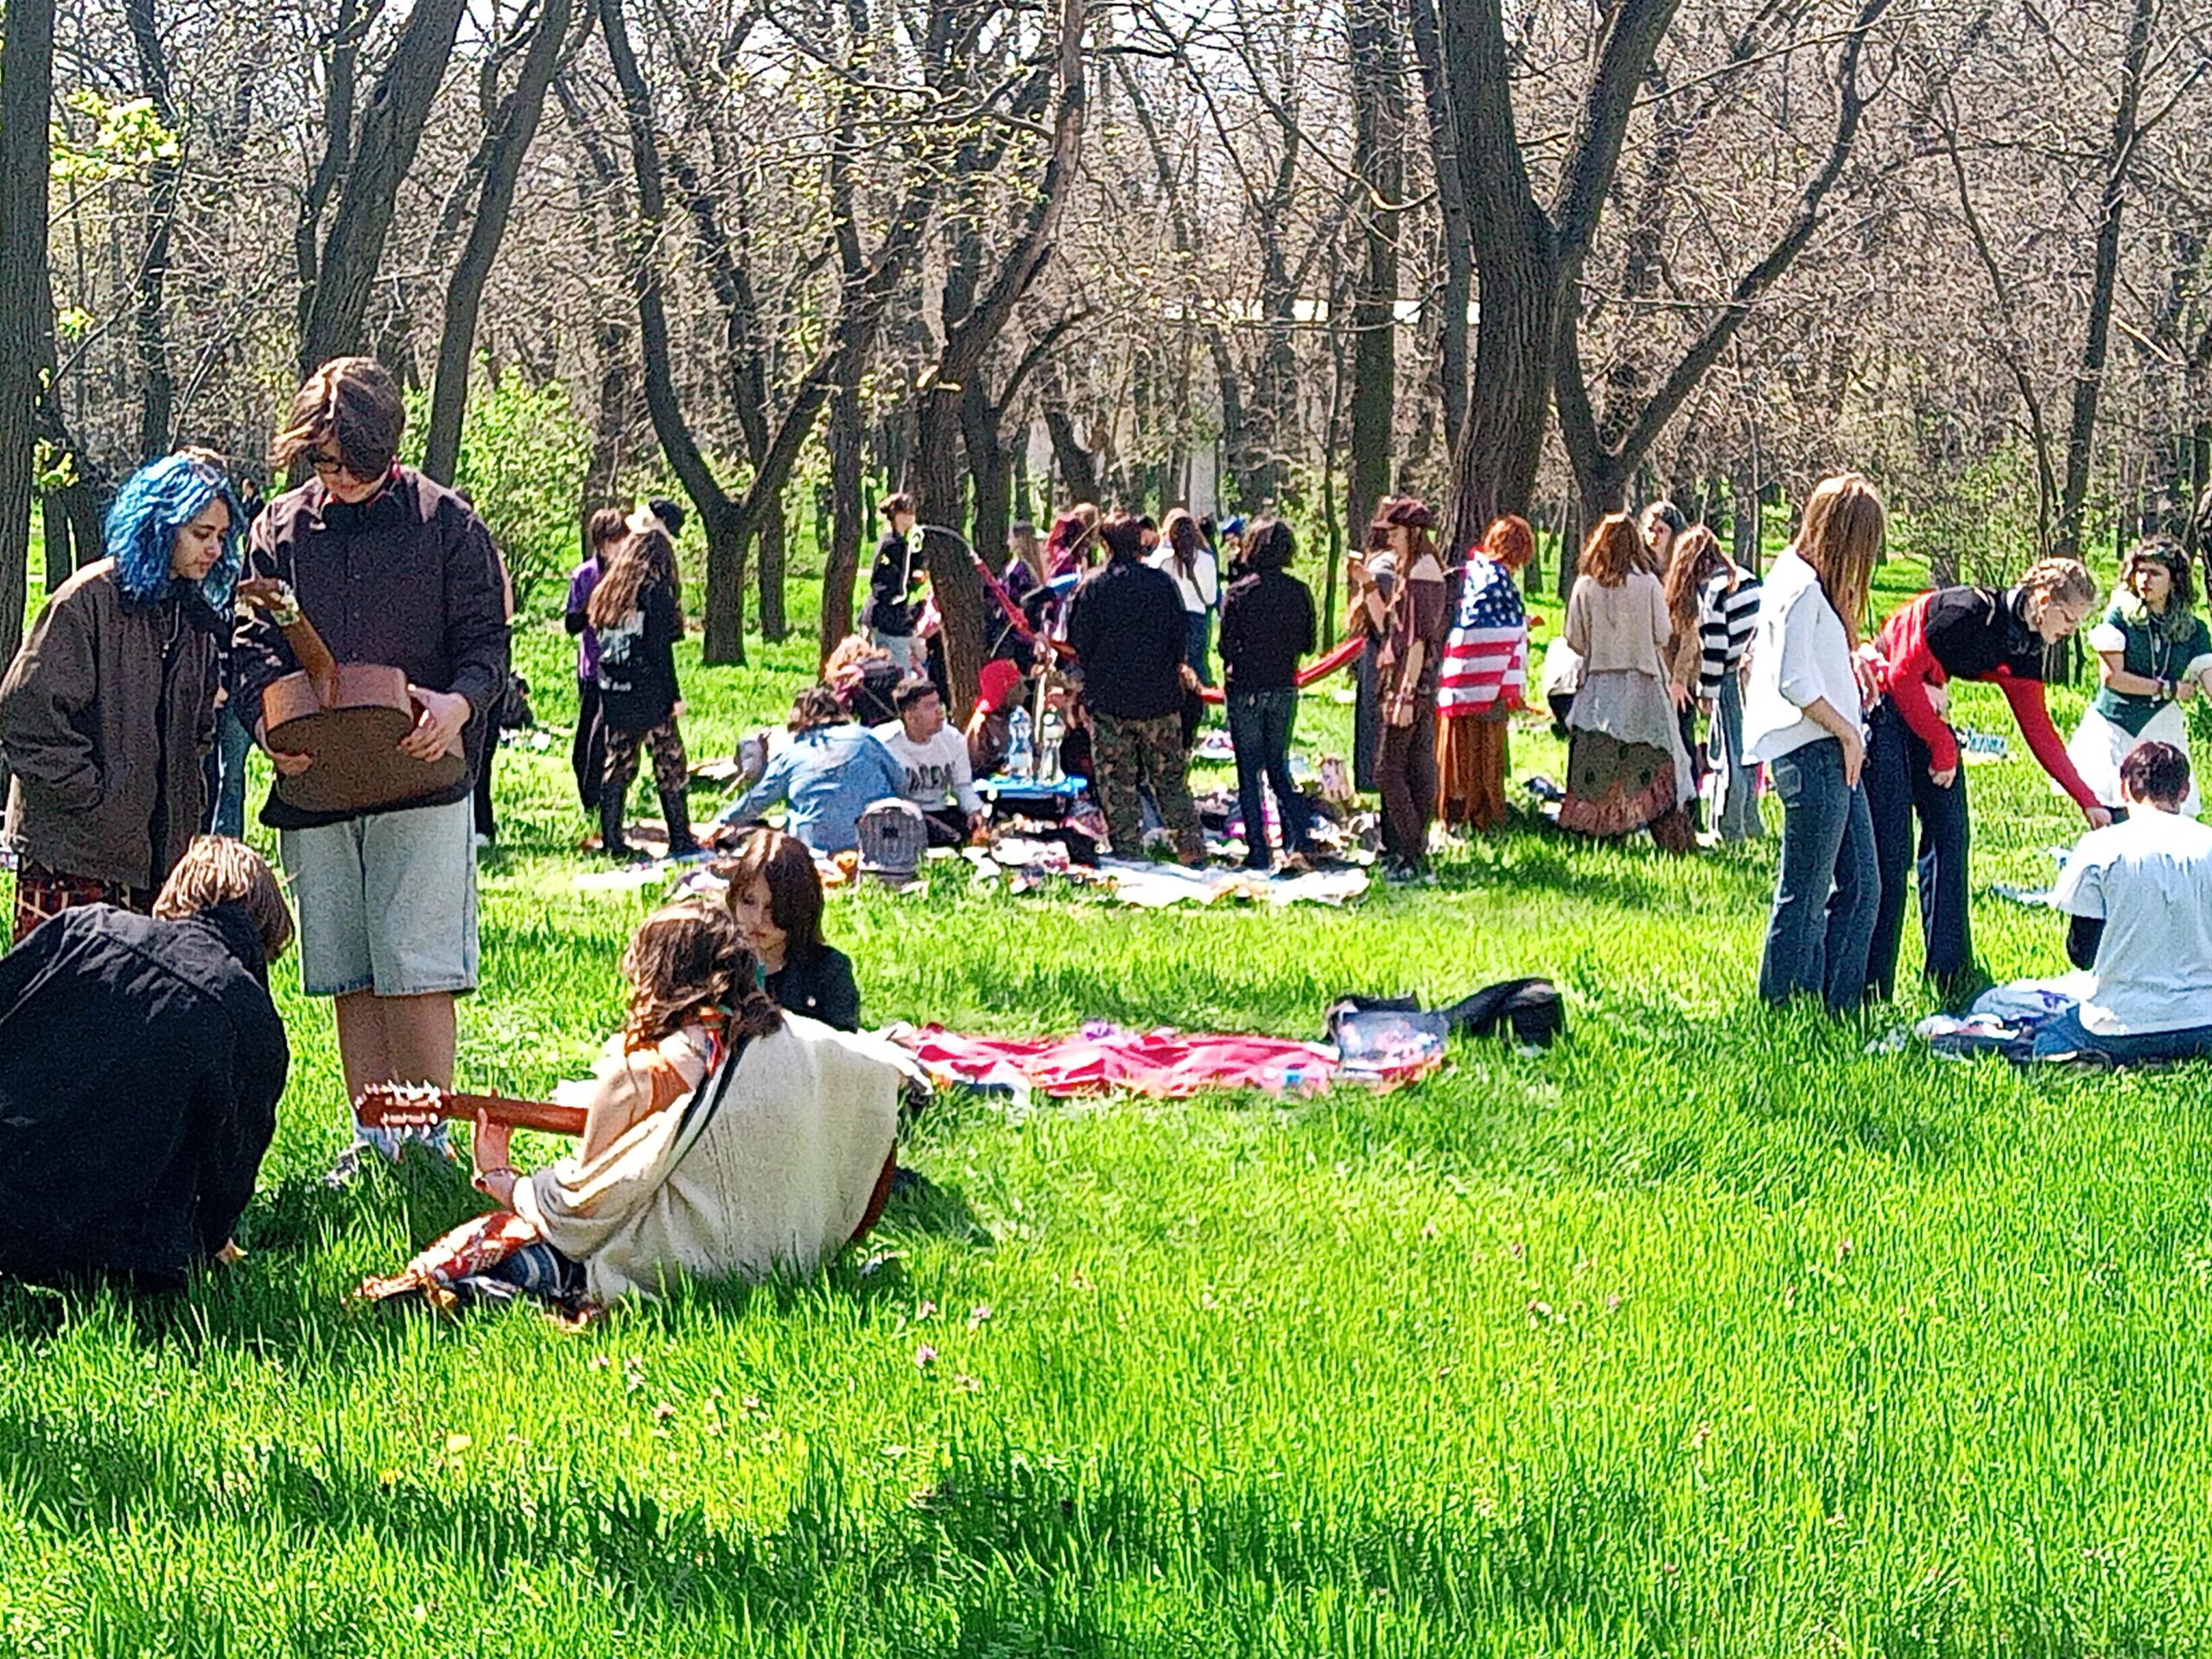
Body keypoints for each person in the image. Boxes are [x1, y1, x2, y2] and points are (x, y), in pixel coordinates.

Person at [232, 356, 509, 1127]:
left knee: (414, 965)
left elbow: (487, 644)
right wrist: (265, 724)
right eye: (325, 463)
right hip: (318, 780)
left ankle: (427, 1138)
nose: (343, 478)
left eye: (357, 462)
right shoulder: (278, 529)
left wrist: (458, 704)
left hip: (421, 775)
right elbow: (250, 646)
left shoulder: (447, 524)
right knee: (348, 968)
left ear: (389, 445)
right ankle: (375, 1137)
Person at [385, 901, 901, 1309]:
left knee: (500, 1239)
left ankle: (468, 1289)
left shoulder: (639, 1074)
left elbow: (584, 1212)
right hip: (791, 1259)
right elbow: (881, 1081)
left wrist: (504, 1179)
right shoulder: (805, 1046)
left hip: (689, 1267)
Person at [0, 836, 292, 1287]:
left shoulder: (87, 929)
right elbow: (228, 1176)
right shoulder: (254, 1021)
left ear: (174, 894)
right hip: (125, 1255)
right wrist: (210, 1240)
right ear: (267, 931)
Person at [3, 449, 243, 944]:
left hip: (156, 866)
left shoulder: (193, 619)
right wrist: (93, 799)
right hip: (72, 860)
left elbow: (198, 735)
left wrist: (185, 811)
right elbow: (28, 715)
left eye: (221, 536)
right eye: (201, 533)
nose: (214, 549)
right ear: (160, 525)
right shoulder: (87, 600)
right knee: (57, 995)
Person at [1864, 556, 2107, 997]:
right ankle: (1871, 985)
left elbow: (2038, 729)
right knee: (1892, 853)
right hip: (1884, 702)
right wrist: (1942, 745)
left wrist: (2087, 799)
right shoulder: (1969, 611)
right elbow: (1900, 676)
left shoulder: (2026, 647)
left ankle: (1950, 973)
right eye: (2069, 619)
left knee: (1951, 836)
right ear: (2043, 600)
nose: (2071, 631)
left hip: (1926, 704)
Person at [1744, 474, 1883, 1013]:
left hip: (1833, 752)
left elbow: (1811, 658)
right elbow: (1793, 681)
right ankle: (1785, 1009)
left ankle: (1837, 1007)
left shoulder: (1808, 581)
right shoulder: (1799, 586)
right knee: (1805, 892)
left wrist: (1851, 664)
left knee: (1862, 886)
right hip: (1814, 751)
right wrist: (1846, 731)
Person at [2034, 741, 2212, 1064]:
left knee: (2050, 1038)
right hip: (2204, 1021)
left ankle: (2087, 1060)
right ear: (2184, 790)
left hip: (2120, 1023)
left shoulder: (2100, 847)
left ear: (2125, 789)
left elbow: (2081, 954)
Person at [1065, 512, 1205, 864]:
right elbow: (1179, 638)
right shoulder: (1162, 585)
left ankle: (1128, 850)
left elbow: (1079, 643)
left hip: (1111, 702)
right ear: (1140, 541)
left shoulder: (1093, 587)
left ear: (1105, 545)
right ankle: (1191, 848)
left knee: (1117, 783)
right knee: (1170, 781)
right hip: (1160, 700)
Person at [1558, 512, 1694, 851]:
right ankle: (1660, 832)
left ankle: (1600, 835)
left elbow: (1574, 639)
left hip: (1599, 687)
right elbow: (1662, 633)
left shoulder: (1584, 586)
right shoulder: (1648, 584)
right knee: (1649, 759)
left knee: (1598, 762)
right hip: (1643, 685)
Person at [2064, 536, 2212, 816]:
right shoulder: (2120, 617)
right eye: (2140, 571)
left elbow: (2209, 677)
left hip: (2161, 727)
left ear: (2174, 580)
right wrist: (2169, 689)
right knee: (2114, 810)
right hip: (2115, 724)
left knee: (2166, 810)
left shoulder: (2193, 629)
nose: (2144, 579)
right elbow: (2113, 678)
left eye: (2155, 573)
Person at [1347, 499, 1452, 877]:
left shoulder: (1424, 572)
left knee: (1389, 770)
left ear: (1413, 532)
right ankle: (1409, 850)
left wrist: (1405, 694)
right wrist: (1366, 583)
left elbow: (1418, 641)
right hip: (1402, 678)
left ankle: (1411, 851)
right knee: (1411, 766)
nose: (1389, 538)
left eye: (1394, 531)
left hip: (1411, 682)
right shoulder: (1408, 569)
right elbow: (1387, 627)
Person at [592, 516, 699, 861]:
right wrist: (673, 697)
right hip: (648, 692)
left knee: (619, 762)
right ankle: (680, 838)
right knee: (670, 760)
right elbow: (659, 650)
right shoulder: (655, 593)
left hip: (614, 688)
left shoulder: (609, 592)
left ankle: (612, 838)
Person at [1217, 517, 1315, 871]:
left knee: (1248, 772)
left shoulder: (1237, 593)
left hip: (1246, 687)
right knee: (1278, 767)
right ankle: (1300, 839)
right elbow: (1309, 643)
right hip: (1283, 684)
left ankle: (1258, 849)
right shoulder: (1299, 591)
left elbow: (1225, 646)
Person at [709, 685, 906, 855]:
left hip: (812, 847)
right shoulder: (865, 738)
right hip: (878, 843)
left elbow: (757, 800)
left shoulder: (791, 753)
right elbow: (901, 782)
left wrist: (718, 823)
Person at [1435, 515, 1534, 832]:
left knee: (1456, 746)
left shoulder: (1473, 573)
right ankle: (1483, 813)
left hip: (1458, 675)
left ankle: (1451, 807)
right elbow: (1506, 630)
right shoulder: (1501, 583)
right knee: (1485, 748)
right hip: (1490, 681)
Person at [724, 826, 862, 1030]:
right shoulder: (720, 965)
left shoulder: (828, 971)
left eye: (772, 907)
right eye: (748, 901)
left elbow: (842, 1042)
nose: (758, 919)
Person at [1696, 532, 1765, 842]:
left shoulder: (1715, 590)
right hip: (1756, 672)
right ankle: (1752, 822)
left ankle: (1728, 827)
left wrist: (1707, 691)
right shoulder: (1747, 578)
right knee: (1750, 753)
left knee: (1730, 754)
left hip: (1730, 674)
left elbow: (1716, 646)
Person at [565, 506, 628, 815]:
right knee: (586, 744)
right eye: (614, 540)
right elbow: (571, 623)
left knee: (608, 741)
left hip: (621, 667)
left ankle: (608, 801)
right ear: (601, 543)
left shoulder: (629, 574)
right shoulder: (585, 575)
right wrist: (595, 605)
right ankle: (590, 801)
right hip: (592, 667)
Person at [1662, 524, 1728, 811]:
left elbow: (1690, 643)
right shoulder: (1679, 591)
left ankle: (1687, 812)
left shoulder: (1693, 593)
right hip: (1674, 680)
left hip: (1681, 684)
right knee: (1679, 746)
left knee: (1683, 747)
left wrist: (1679, 681)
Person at [873, 677, 985, 846]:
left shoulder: (952, 739)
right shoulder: (883, 743)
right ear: (910, 716)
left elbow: (962, 785)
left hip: (939, 811)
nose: (939, 711)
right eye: (929, 706)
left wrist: (974, 810)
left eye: (938, 703)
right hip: (900, 816)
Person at [473, 545, 516, 849]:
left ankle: (481, 826)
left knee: (480, 749)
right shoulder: (490, 554)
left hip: (483, 659)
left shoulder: (488, 555)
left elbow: (506, 610)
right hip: (486, 657)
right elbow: (507, 610)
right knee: (481, 751)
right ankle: (481, 826)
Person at [1148, 508, 1221, 687]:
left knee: (1169, 667)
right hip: (1197, 618)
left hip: (1169, 619)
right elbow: (1211, 599)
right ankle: (1202, 699)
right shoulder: (1206, 558)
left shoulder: (1160, 559)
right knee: (1197, 664)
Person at [865, 493, 924, 671]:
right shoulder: (894, 545)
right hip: (889, 619)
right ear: (897, 515)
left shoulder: (893, 542)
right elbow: (904, 578)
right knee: (899, 672)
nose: (912, 517)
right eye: (908, 513)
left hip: (883, 616)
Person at [966, 658, 1026, 777]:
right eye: (1018, 686)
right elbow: (975, 763)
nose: (1023, 690)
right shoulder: (982, 722)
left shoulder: (1018, 714)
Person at [1640, 500, 1688, 577]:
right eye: (1651, 529)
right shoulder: (1639, 568)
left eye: (1661, 530)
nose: (1654, 534)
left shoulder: (1684, 572)